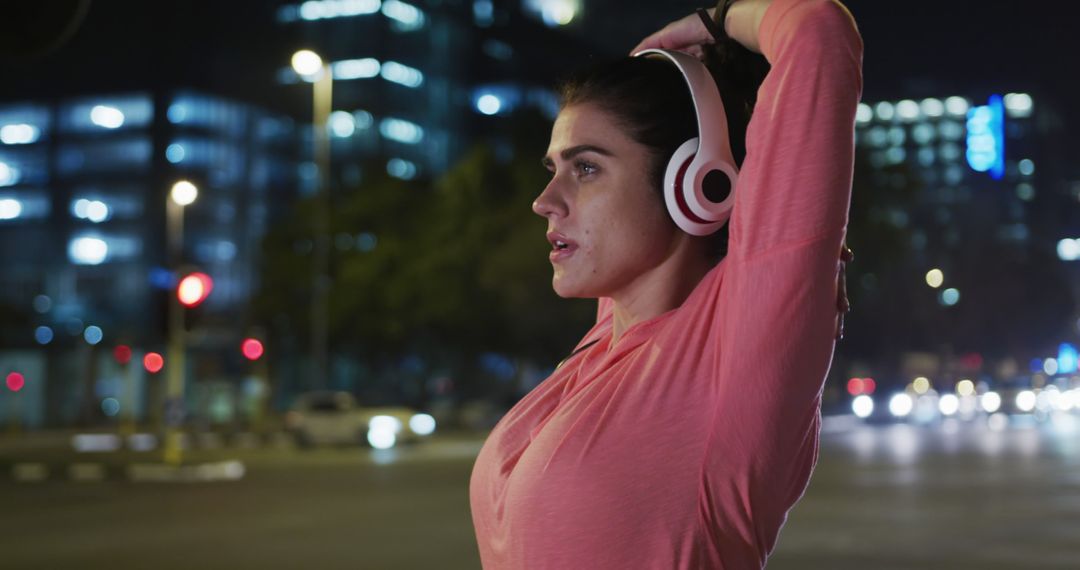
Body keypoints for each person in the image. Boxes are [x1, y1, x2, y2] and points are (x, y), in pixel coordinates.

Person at [469, 0, 863, 567]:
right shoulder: (603, 347)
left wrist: (712, 21)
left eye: (585, 168)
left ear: (695, 182)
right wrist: (656, 73)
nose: (544, 202)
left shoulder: (734, 354)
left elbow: (818, 32)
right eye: (552, 169)